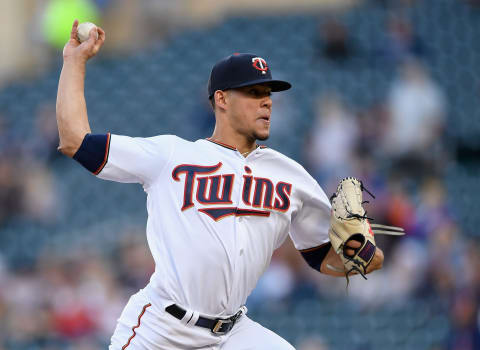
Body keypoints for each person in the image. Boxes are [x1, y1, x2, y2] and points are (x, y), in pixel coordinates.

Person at [56, 20, 384, 350]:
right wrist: (74, 61)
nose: (267, 101)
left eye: (268, 94)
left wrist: (363, 255)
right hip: (162, 329)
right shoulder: (171, 155)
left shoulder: (291, 175)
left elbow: (322, 257)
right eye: (254, 93)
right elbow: (75, 141)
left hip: (232, 334)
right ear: (222, 99)